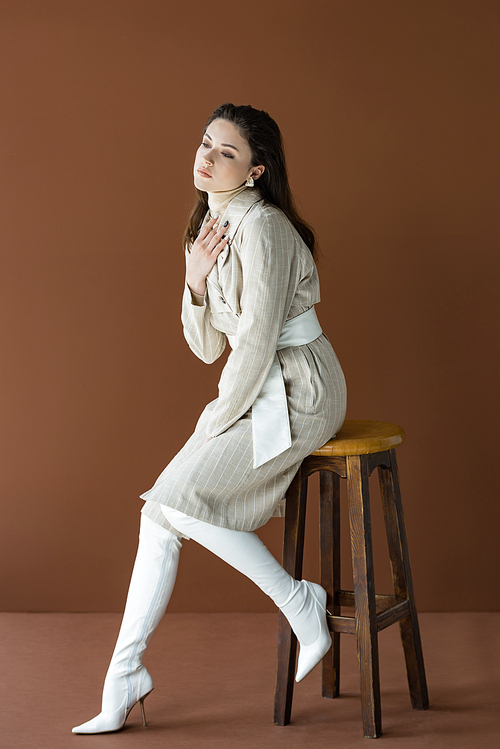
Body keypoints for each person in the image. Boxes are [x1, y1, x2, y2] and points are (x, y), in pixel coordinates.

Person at [72, 103, 347, 735]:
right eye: (205, 144)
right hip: (254, 384)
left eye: (225, 151)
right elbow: (206, 347)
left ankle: (298, 600)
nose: (206, 157)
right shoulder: (213, 227)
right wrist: (193, 280)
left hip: (300, 387)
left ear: (255, 170)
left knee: (180, 500)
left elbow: (257, 341)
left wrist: (220, 416)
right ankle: (123, 677)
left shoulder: (266, 228)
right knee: (159, 511)